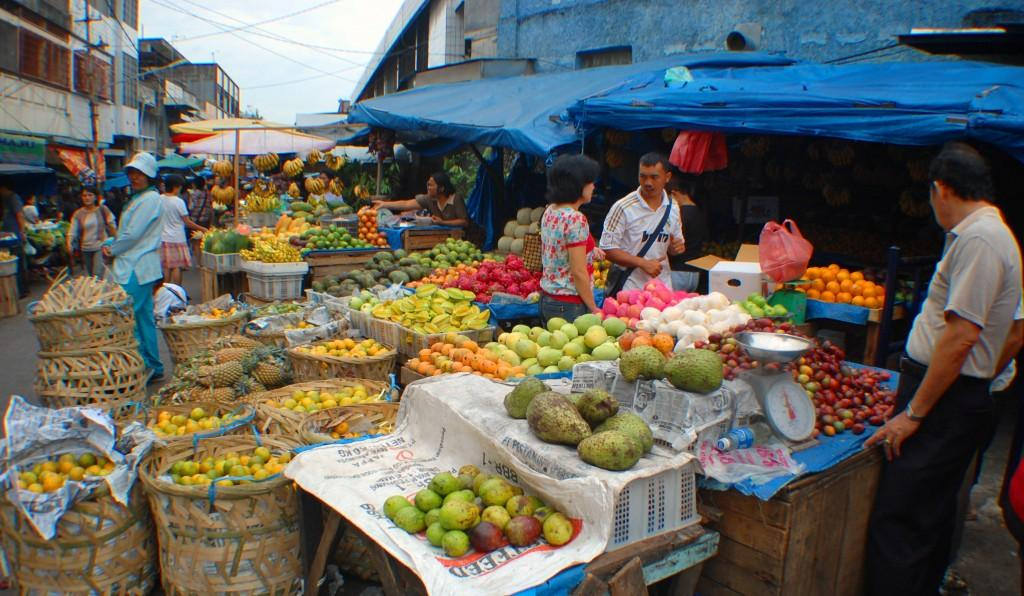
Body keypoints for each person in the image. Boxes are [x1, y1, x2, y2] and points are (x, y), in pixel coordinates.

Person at [863, 142, 1024, 595]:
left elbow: (961, 336)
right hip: (959, 393)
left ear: (941, 189)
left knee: (900, 520)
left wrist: (914, 413)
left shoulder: (979, 239)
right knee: (926, 518)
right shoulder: (992, 236)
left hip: (947, 398)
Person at [102, 152, 166, 382]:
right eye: (131, 173)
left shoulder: (149, 199)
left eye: (139, 173)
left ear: (149, 175)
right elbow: (126, 234)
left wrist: (113, 249)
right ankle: (154, 366)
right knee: (143, 317)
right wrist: (112, 244)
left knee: (129, 318)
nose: (134, 177)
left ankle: (144, 365)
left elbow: (132, 235)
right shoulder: (139, 198)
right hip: (137, 266)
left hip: (136, 267)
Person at [599, 153, 685, 293]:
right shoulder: (623, 207)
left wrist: (676, 248)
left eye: (654, 177)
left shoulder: (673, 207)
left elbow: (674, 248)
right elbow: (607, 248)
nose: (648, 182)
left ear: (667, 177)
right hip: (630, 288)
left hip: (662, 287)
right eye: (643, 176)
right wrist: (642, 263)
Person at [539, 155, 605, 323]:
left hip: (548, 298)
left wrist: (591, 250)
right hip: (569, 303)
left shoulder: (550, 210)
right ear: (578, 186)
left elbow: (560, 246)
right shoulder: (575, 219)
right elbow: (578, 272)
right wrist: (593, 307)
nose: (593, 186)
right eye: (590, 182)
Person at [373, 172, 468, 228]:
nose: (428, 188)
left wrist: (443, 222)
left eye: (431, 185)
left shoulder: (456, 199)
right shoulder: (429, 198)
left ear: (441, 188)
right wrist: (384, 204)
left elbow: (464, 222)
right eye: (428, 185)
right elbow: (406, 204)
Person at [159, 174, 207, 286]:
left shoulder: (159, 199)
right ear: (175, 187)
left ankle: (164, 292)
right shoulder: (178, 201)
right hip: (177, 238)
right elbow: (187, 221)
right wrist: (202, 228)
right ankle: (177, 291)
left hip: (163, 238)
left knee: (166, 267)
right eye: (180, 187)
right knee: (176, 267)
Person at [666, 175, 708, 293]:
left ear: (674, 194)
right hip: (694, 274)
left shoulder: (678, 215)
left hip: (677, 272)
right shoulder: (699, 212)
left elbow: (672, 244)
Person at [66, 186, 116, 277]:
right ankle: (95, 291)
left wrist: (116, 241)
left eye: (90, 195)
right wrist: (69, 242)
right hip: (85, 249)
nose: (87, 198)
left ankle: (98, 290)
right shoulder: (78, 214)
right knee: (90, 276)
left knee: (97, 274)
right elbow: (72, 230)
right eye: (84, 195)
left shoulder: (103, 209)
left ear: (95, 197)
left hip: (100, 247)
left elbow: (112, 224)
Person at [0, 181, 28, 297]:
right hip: (5, 237)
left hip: (15, 236)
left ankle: (21, 291)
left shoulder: (13, 197)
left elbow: (20, 215)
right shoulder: (3, 200)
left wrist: (22, 232)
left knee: (18, 264)